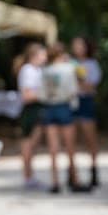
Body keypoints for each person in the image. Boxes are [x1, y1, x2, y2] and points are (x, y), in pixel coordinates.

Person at [41, 41, 80, 193]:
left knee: (53, 148)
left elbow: (42, 93)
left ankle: (55, 182)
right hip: (64, 106)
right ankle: (74, 180)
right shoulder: (68, 69)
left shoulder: (45, 70)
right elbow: (73, 90)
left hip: (50, 107)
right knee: (70, 147)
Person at [70, 36, 102, 191]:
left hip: (86, 102)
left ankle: (94, 169)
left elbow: (91, 86)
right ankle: (73, 173)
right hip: (72, 102)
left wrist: (80, 80)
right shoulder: (69, 63)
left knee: (90, 138)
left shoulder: (92, 64)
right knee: (71, 139)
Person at [16, 41, 48, 190]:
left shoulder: (37, 70)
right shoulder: (28, 70)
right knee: (29, 144)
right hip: (31, 109)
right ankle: (27, 176)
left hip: (37, 108)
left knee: (33, 144)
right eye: (42, 54)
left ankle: (30, 175)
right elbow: (27, 95)